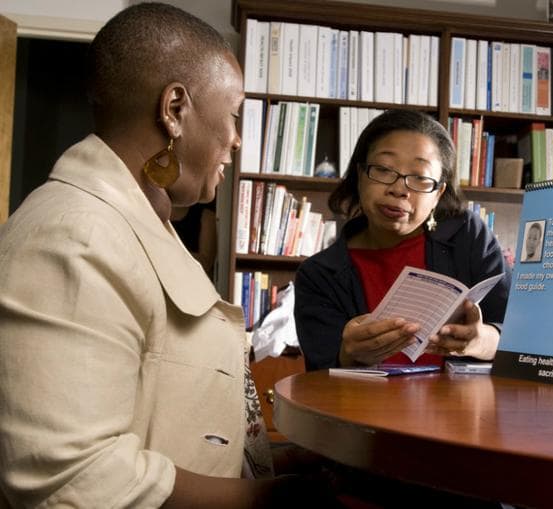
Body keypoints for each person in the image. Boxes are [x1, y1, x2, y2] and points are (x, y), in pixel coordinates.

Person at [0, 4, 337, 508]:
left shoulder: (137, 223)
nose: (237, 140)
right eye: (234, 115)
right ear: (175, 108)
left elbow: (167, 410)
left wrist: (276, 465)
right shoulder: (75, 238)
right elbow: (73, 477)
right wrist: (265, 500)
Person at [294, 109, 511, 371]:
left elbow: (519, 336)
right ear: (360, 175)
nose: (399, 189)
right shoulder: (318, 274)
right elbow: (321, 373)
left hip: (461, 409)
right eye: (384, 170)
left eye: (420, 177)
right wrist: (348, 354)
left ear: (439, 193)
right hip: (361, 411)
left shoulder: (468, 236)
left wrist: (478, 341)